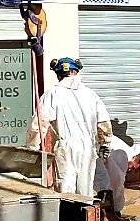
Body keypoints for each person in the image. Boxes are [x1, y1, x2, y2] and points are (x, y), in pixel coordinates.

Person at [26, 57, 112, 197]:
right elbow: (104, 123)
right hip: (88, 148)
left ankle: (69, 218)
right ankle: (84, 217)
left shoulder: (52, 94)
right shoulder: (91, 94)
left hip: (65, 148)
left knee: (66, 189)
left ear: (58, 75)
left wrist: (32, 148)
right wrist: (105, 144)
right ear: (76, 72)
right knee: (86, 191)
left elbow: (39, 124)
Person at [94, 134, 140, 221]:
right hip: (95, 152)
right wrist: (117, 209)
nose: (130, 170)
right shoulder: (124, 154)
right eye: (133, 167)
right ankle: (109, 216)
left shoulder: (123, 152)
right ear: (134, 158)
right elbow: (117, 183)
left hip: (96, 151)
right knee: (109, 184)